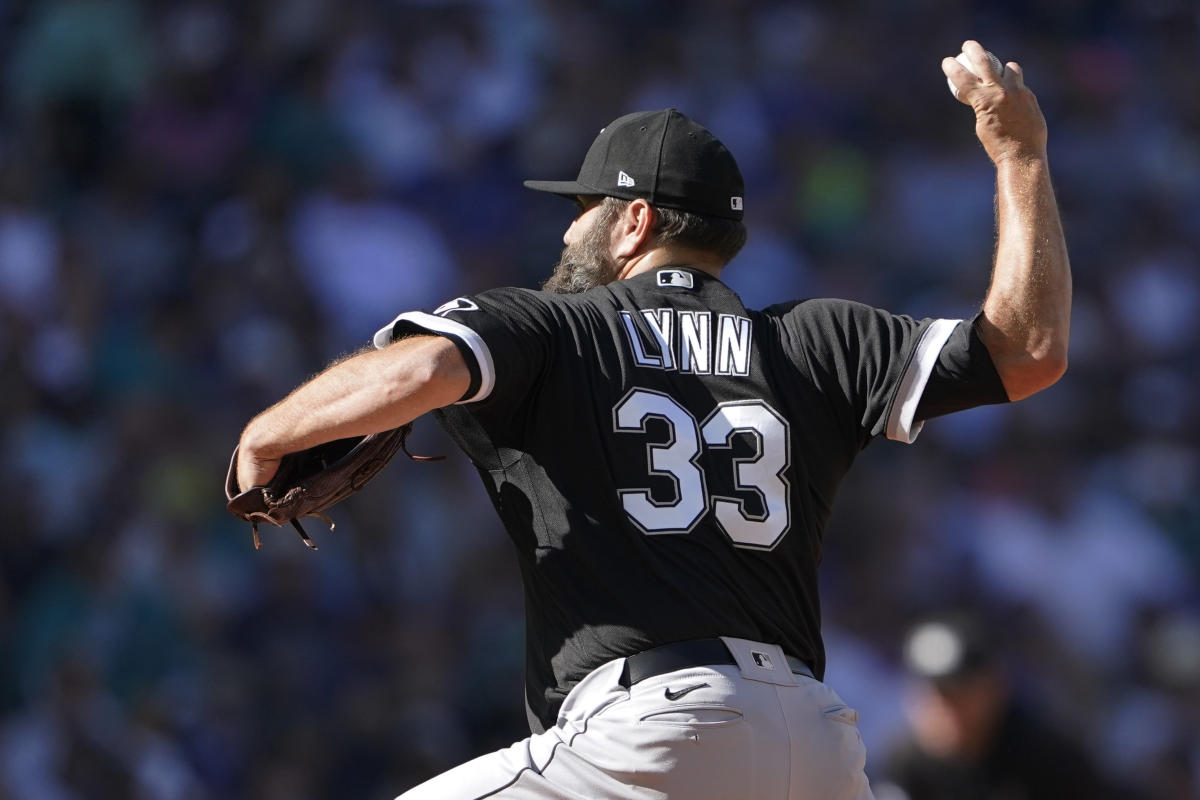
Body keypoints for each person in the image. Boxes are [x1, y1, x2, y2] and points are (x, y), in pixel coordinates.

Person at [233, 41, 1070, 799]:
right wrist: (1022, 155)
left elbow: (423, 367)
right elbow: (1027, 352)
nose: (568, 225)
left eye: (583, 206)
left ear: (632, 220)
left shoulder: (555, 325)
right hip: (815, 746)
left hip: (650, 733)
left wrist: (267, 434)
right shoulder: (816, 338)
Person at [879, 616, 1118, 800]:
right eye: (938, 695)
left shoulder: (1045, 756)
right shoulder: (905, 767)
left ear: (994, 687)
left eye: (960, 693)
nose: (947, 709)